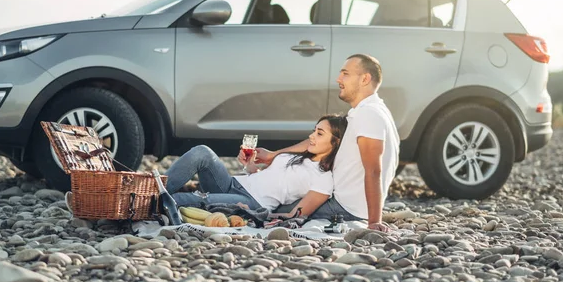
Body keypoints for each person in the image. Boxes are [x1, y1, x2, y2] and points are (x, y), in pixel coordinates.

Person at [256, 54, 400, 232]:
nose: (338, 79)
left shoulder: (368, 114)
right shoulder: (367, 111)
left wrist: (373, 222)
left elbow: (373, 169)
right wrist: (274, 155)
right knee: (268, 197)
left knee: (261, 205)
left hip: (344, 208)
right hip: (340, 201)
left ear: (365, 79)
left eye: (345, 74)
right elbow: (318, 140)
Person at [164, 114, 348, 218]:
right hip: (232, 184)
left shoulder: (324, 179)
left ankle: (146, 202)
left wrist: (255, 214)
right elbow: (266, 178)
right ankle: (154, 190)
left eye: (320, 133)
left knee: (182, 200)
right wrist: (249, 167)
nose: (312, 136)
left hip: (250, 203)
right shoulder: (300, 155)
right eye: (314, 130)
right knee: (202, 152)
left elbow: (296, 215)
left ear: (336, 142)